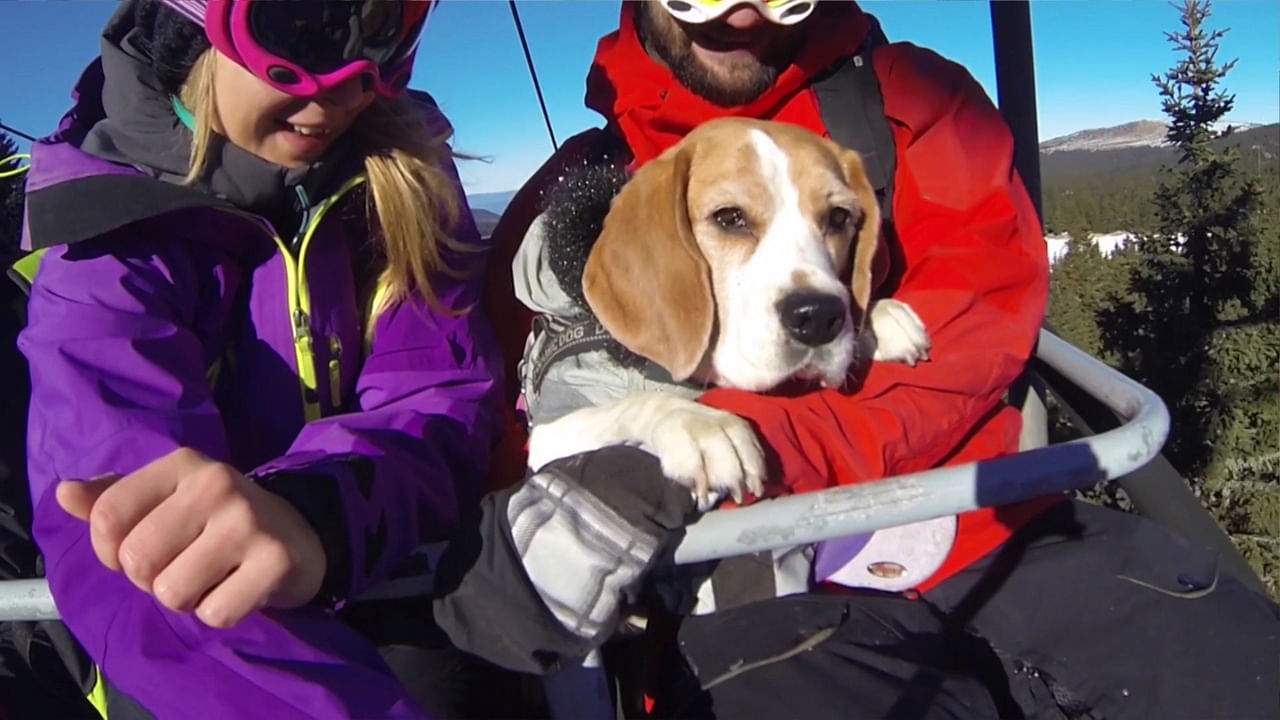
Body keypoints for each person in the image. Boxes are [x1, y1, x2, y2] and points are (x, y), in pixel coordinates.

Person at [485, 1, 1280, 718]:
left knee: (1231, 660)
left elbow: (973, 322)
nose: (738, 14)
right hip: (744, 596)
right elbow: (506, 433)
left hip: (984, 524)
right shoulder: (568, 200)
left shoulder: (918, 110)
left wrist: (761, 430)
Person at [9, 1, 660, 717]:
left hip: (380, 558)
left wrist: (316, 513)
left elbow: (438, 394)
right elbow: (123, 543)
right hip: (198, 658)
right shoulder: (108, 243)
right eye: (299, 25)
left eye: (382, 27)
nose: (348, 82)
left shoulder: (397, 174)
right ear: (195, 24)